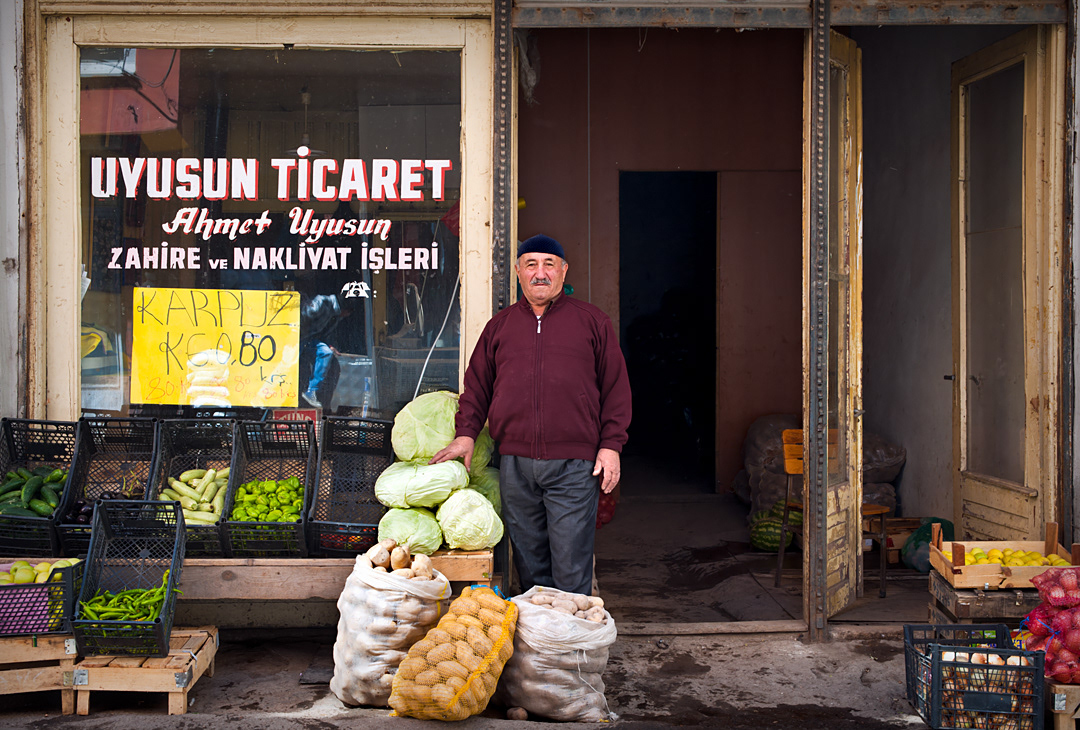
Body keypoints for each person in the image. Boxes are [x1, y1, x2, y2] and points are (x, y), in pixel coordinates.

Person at [431, 234, 632, 595]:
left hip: (574, 464)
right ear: (518, 272)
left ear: (563, 270)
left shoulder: (592, 322)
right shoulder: (500, 326)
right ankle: (541, 630)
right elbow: (477, 387)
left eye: (549, 264)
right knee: (530, 568)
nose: (540, 273)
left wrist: (611, 445)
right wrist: (465, 435)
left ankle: (569, 631)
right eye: (531, 265)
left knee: (570, 567)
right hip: (516, 465)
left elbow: (616, 388)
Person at [299, 292, 355, 409]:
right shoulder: (322, 302)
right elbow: (301, 316)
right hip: (296, 338)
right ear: (346, 310)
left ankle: (311, 391)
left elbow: (322, 333)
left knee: (326, 353)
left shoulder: (335, 316)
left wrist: (328, 344)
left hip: (309, 340)